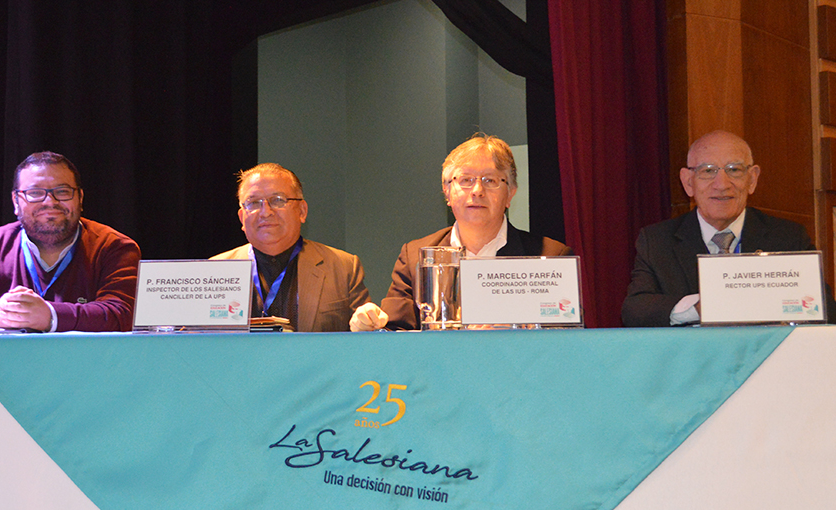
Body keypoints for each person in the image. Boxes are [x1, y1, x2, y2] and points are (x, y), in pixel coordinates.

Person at [350, 134, 572, 331]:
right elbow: (395, 332)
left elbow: (568, 342)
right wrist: (369, 326)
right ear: (447, 192)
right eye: (465, 180)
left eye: (490, 180)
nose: (477, 191)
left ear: (510, 194)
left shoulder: (550, 257)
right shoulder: (415, 256)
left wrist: (513, 333)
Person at [622, 130, 836, 326]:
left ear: (752, 179)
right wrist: (699, 308)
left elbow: (826, 310)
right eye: (708, 171)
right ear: (688, 182)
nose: (722, 184)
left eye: (734, 170)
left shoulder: (787, 237)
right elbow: (635, 310)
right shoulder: (657, 241)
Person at [0, 151, 140, 332]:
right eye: (35, 192)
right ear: (15, 202)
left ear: (80, 198)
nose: (50, 202)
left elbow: (122, 315)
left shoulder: (114, 247)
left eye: (62, 191)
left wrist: (50, 316)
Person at [211, 163, 372, 332]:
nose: (265, 212)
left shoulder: (343, 267)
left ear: (302, 211)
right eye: (254, 203)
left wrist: (367, 324)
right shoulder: (214, 269)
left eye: (278, 200)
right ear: (242, 217)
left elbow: (366, 339)